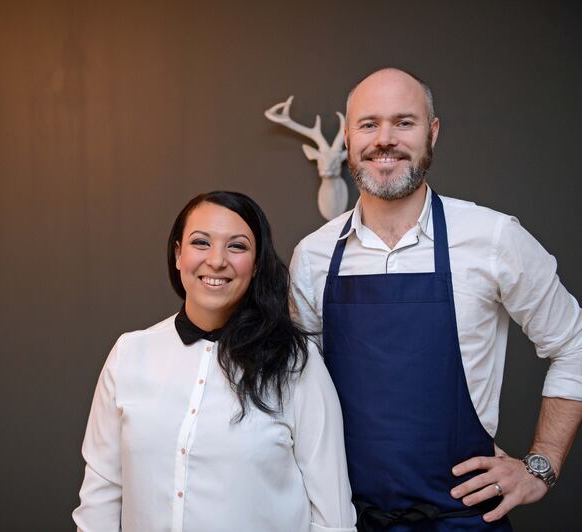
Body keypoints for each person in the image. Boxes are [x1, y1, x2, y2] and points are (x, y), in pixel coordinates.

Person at [289, 67, 582, 530]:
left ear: (433, 132)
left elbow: (574, 344)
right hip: (347, 521)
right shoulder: (313, 256)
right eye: (369, 124)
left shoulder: (493, 238)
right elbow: (296, 388)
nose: (385, 139)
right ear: (348, 138)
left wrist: (541, 464)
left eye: (404, 122)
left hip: (464, 520)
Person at [73, 191, 357, 532]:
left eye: (236, 246)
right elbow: (100, 498)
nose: (217, 260)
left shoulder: (296, 363)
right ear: (178, 255)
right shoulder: (129, 354)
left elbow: (333, 516)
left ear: (256, 264)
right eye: (201, 242)